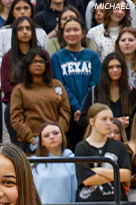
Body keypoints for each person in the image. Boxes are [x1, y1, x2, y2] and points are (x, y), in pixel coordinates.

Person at [52, 18, 101, 147]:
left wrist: (83, 109)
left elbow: (94, 84)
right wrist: (76, 108)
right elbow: (60, 85)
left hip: (89, 112)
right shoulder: (57, 57)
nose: (72, 34)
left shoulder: (93, 56)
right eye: (68, 30)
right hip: (67, 112)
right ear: (62, 34)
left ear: (83, 33)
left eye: (76, 30)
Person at [10, 49, 70, 152]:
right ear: (27, 64)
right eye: (34, 61)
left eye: (41, 61)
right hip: (30, 142)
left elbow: (65, 111)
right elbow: (16, 118)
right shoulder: (19, 89)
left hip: (55, 139)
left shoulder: (57, 85)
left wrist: (57, 133)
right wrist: (31, 138)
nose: (38, 64)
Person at [31, 121, 77, 205]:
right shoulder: (33, 163)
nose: (52, 137)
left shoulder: (73, 159)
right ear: (41, 142)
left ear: (62, 135)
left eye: (56, 133)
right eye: (46, 135)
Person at [90, 53, 136, 137]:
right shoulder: (95, 92)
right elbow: (84, 119)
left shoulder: (132, 93)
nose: (115, 70)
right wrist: (114, 121)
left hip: (127, 139)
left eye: (118, 67)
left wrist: (129, 122)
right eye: (111, 67)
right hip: (101, 138)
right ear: (105, 70)